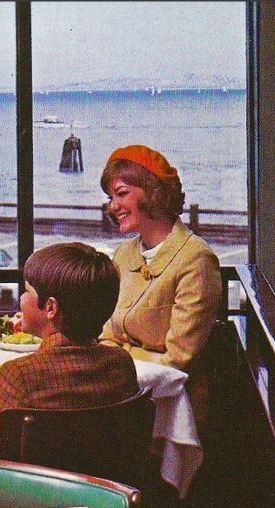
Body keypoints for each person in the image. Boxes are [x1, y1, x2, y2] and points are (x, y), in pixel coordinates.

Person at [0, 242, 139, 458]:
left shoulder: (19, 374)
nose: (22, 298)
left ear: (50, 308)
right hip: (106, 480)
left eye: (27, 291)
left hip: (33, 482)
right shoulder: (122, 363)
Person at [98, 144, 222, 430]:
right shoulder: (124, 254)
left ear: (154, 192)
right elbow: (107, 336)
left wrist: (119, 357)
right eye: (110, 197)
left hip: (173, 410)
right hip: (125, 395)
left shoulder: (196, 259)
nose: (112, 206)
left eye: (121, 194)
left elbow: (177, 359)